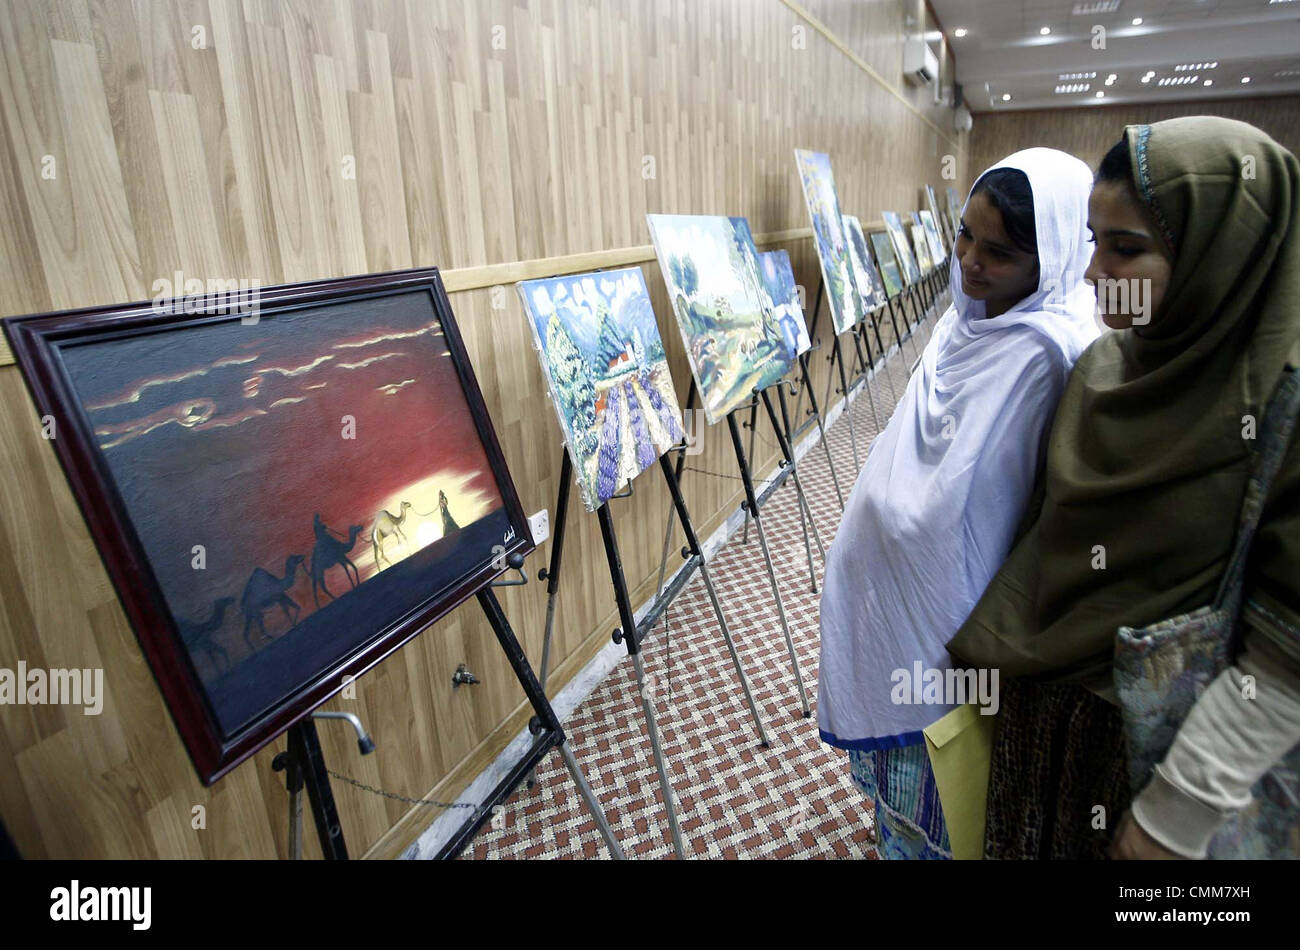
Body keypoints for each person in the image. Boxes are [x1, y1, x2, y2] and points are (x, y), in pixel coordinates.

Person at [947, 116, 1300, 860]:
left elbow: (1282, 658)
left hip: (1167, 766)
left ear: (1220, 254)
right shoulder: (1100, 370)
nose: (1091, 273)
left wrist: (1169, 823)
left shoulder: (1280, 408)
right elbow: (1039, 544)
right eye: (1093, 241)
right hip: (1041, 725)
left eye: (1126, 249)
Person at [817, 149, 1101, 858]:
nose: (971, 261)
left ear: (1053, 259)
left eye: (998, 251)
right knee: (898, 805)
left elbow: (1010, 513)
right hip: (889, 611)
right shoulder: (962, 319)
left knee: (945, 800)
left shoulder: (1047, 355)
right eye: (964, 237)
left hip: (953, 632)